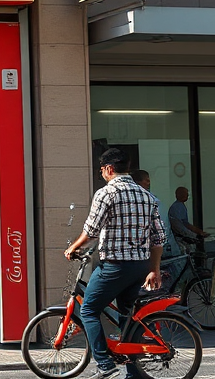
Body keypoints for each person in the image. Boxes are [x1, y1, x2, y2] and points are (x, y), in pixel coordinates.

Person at [64, 148, 165, 379]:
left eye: (102, 170)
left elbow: (91, 231)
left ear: (109, 169)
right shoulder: (147, 196)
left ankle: (104, 363)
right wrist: (154, 269)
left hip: (115, 266)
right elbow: (158, 238)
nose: (102, 175)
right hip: (139, 266)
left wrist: (73, 247)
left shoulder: (106, 194)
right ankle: (133, 371)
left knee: (89, 309)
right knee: (127, 316)